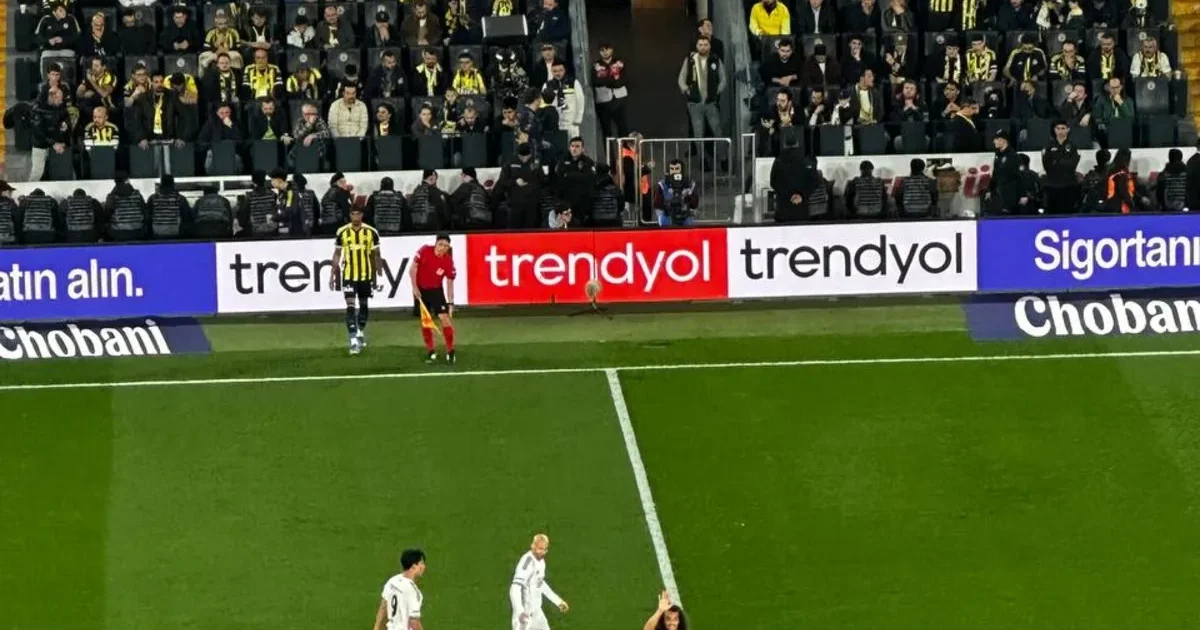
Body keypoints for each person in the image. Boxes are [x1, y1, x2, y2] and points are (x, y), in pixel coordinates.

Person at [330, 206, 384, 355]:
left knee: (364, 305)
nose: (355, 217)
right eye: (353, 214)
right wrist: (332, 273)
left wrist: (378, 272)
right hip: (348, 275)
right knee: (350, 306)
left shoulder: (371, 232)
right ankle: (353, 340)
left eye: (358, 214)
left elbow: (376, 254)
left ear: (362, 215)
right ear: (350, 215)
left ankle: (360, 331)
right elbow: (337, 253)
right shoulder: (342, 232)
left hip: (365, 275)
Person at [410, 234, 457, 363]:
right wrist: (414, 288)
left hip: (436, 291)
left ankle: (450, 351)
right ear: (436, 244)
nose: (443, 248)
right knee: (425, 321)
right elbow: (413, 269)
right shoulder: (425, 250)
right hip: (421, 290)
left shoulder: (448, 261)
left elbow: (450, 282)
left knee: (445, 319)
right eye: (441, 244)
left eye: (446, 246)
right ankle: (431, 350)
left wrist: (450, 302)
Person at [509, 534, 569, 630]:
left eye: (542, 549)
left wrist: (558, 601)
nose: (539, 551)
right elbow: (515, 588)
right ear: (532, 545)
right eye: (538, 548)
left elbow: (540, 584)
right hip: (525, 616)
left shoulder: (541, 563)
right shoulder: (527, 562)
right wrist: (520, 611)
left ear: (546, 550)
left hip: (537, 613)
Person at [679, 37, 726, 151]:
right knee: (698, 134)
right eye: (700, 45)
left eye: (705, 45)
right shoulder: (690, 60)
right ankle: (702, 159)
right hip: (695, 104)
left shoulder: (715, 60)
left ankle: (723, 157)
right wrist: (687, 91)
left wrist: (717, 91)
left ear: (709, 46)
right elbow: (681, 79)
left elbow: (723, 79)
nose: (703, 47)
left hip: (711, 103)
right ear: (696, 46)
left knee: (717, 131)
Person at [373, 549, 426, 630]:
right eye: (421, 563)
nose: (423, 567)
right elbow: (414, 622)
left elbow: (383, 606)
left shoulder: (392, 581)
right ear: (413, 566)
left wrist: (376, 628)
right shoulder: (412, 591)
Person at [496, 143, 545, 228]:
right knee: (514, 230)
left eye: (527, 157)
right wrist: (514, 182)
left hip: (532, 204)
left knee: (531, 230)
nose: (524, 159)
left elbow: (543, 181)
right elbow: (502, 181)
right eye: (521, 157)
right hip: (515, 204)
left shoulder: (536, 163)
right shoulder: (510, 162)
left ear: (530, 154)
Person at [1042, 120, 1081, 213]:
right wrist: (1063, 162)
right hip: (1052, 185)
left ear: (1068, 129)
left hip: (1069, 185)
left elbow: (1073, 164)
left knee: (1069, 212)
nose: (1060, 131)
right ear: (1054, 130)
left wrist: (1057, 162)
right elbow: (1047, 165)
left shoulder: (1073, 145)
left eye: (1063, 128)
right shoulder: (1048, 145)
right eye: (1058, 128)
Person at [555, 137, 596, 226]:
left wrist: (569, 175)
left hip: (583, 203)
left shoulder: (588, 162)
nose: (574, 149)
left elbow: (589, 179)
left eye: (577, 146)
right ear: (569, 148)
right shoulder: (562, 161)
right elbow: (559, 179)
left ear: (583, 149)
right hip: (566, 202)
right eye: (572, 146)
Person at [592, 43, 629, 138]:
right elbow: (596, 81)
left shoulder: (620, 63)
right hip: (603, 102)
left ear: (612, 50)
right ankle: (609, 149)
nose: (605, 52)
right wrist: (613, 80)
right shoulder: (596, 65)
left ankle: (625, 148)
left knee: (623, 128)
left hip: (620, 99)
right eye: (602, 50)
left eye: (607, 49)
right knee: (606, 130)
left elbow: (624, 80)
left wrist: (608, 81)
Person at [652, 159, 699, 226]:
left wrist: (688, 197)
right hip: (667, 214)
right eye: (672, 169)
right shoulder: (662, 184)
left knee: (688, 222)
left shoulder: (690, 183)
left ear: (682, 170)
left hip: (686, 214)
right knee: (664, 220)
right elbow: (657, 204)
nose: (674, 171)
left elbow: (695, 204)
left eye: (677, 169)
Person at [985, 129, 1020, 215]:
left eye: (996, 139)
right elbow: (995, 174)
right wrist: (990, 190)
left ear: (1003, 140)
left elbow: (1018, 177)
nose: (994, 142)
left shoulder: (1012, 156)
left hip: (1010, 195)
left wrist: (1022, 195)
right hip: (1000, 194)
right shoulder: (998, 155)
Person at [105, 174, 148, 242]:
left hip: (119, 232)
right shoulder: (137, 195)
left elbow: (106, 215)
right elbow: (145, 213)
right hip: (136, 231)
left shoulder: (112, 197)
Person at [147, 175, 192, 239]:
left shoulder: (152, 198)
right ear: (173, 185)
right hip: (175, 235)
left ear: (161, 185)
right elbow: (187, 217)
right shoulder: (180, 199)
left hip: (157, 235)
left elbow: (148, 217)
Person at [239, 170, 280, 238]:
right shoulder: (272, 195)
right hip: (272, 230)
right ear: (264, 180)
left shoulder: (249, 196)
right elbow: (276, 212)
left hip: (257, 231)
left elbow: (243, 217)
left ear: (253, 181)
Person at [0, 181, 20, 246]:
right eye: (9, 192)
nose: (11, 194)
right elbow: (18, 221)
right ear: (2, 192)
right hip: (7, 240)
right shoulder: (10, 203)